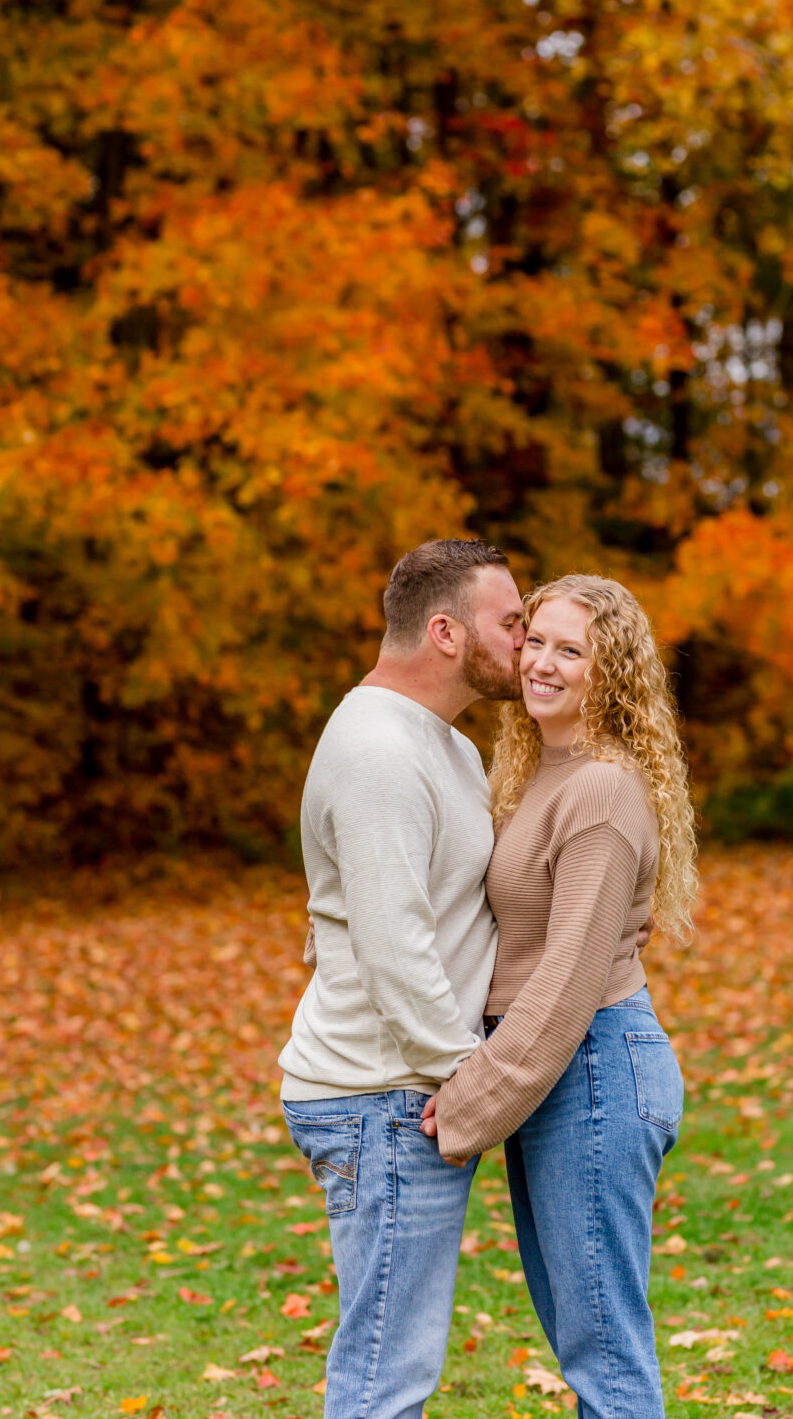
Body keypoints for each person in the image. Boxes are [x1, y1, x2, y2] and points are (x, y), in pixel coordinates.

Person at [420, 573, 698, 1419]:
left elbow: (572, 974)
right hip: (560, 1077)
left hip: (593, 1073)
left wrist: (474, 1099)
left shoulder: (602, 790)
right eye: (534, 639)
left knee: (604, 1354)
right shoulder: (542, 769)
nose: (541, 662)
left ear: (607, 671)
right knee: (587, 1342)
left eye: (568, 650)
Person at [277, 537, 525, 1419]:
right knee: (387, 1375)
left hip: (402, 1089)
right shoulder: (381, 749)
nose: (525, 638)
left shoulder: (444, 745)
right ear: (448, 632)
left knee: (394, 1361)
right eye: (510, 620)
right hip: (381, 1096)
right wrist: (473, 1080)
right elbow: (393, 943)